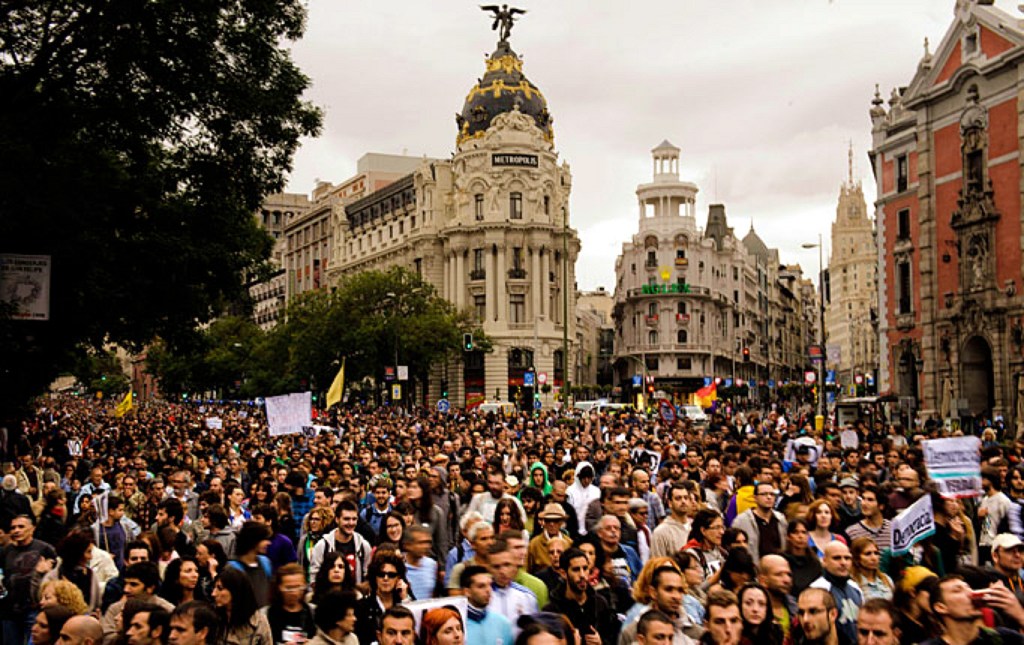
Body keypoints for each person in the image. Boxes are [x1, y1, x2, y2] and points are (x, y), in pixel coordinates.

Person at [544, 547, 619, 645]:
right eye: (576, 570)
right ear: (563, 573)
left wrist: (601, 643)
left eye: (585, 568)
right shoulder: (552, 611)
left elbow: (613, 638)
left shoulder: (600, 603)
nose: (582, 575)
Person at [921, 574, 1024, 645]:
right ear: (941, 608)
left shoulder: (1003, 638)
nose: (971, 593)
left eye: (969, 588)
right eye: (957, 590)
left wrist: (1020, 616)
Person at [618, 559, 697, 645]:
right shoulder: (632, 632)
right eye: (669, 589)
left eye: (680, 590)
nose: (676, 596)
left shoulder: (695, 633)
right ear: (653, 592)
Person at [100, 561, 175, 645]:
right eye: (125, 584)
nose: (126, 589)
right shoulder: (115, 609)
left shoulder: (167, 610)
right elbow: (107, 639)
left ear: (150, 588)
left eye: (133, 584)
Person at [809, 541, 863, 645]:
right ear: (824, 561)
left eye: (847, 558)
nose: (843, 562)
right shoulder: (817, 589)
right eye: (837, 558)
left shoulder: (856, 587)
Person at [308, 501, 372, 588]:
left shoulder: (364, 546)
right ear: (337, 519)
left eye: (354, 519)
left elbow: (368, 576)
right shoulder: (322, 546)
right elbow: (313, 578)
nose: (351, 523)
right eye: (346, 519)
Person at [354, 551, 411, 645]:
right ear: (374, 577)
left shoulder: (406, 602)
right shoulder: (361, 607)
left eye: (391, 575)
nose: (385, 578)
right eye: (381, 574)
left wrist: (405, 599)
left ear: (398, 578)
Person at [211, 566, 273, 645]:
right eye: (214, 588)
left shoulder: (258, 621)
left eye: (220, 588)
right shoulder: (213, 618)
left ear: (235, 591)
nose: (213, 594)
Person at [487, 538, 538, 632]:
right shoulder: (482, 598)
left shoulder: (527, 597)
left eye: (506, 565)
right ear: (489, 568)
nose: (502, 571)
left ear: (515, 564)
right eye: (496, 567)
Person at [731, 481, 787, 561]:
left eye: (772, 494)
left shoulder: (781, 519)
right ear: (755, 498)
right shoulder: (741, 521)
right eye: (764, 494)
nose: (769, 497)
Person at [264, 563, 316, 645]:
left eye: (298, 587)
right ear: (279, 587)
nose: (294, 592)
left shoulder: (314, 613)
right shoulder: (266, 615)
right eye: (289, 588)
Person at [460, 565, 514, 645]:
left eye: (490, 585)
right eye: (481, 586)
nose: (489, 590)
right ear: (467, 592)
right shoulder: (457, 626)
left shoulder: (503, 623)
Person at [228, 520, 274, 607]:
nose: (268, 543)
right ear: (253, 540)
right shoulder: (233, 568)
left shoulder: (265, 563)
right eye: (264, 539)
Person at [407, 476, 449, 562]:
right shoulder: (405, 510)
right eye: (409, 487)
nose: (410, 490)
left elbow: (441, 542)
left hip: (430, 559)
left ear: (424, 490)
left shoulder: (436, 512)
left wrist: (442, 566)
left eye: (415, 487)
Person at [758, 554, 797, 642]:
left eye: (789, 575)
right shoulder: (754, 613)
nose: (787, 580)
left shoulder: (796, 609)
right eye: (779, 574)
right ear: (763, 580)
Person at [843, 485, 891, 554]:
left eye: (870, 500)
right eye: (863, 499)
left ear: (881, 506)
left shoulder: (893, 529)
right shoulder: (851, 532)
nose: (864, 503)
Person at [683, 509, 726, 583]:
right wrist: (720, 573)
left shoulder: (722, 552)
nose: (722, 532)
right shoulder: (692, 555)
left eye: (722, 527)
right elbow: (697, 587)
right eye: (717, 528)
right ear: (703, 530)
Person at [527, 504, 572, 572]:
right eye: (548, 520)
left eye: (556, 520)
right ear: (543, 522)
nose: (552, 524)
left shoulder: (569, 543)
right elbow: (528, 569)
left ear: (561, 522)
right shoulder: (534, 544)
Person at [651, 483, 692, 559]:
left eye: (686, 498)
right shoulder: (660, 532)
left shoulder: (695, 526)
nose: (683, 501)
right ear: (670, 503)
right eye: (678, 498)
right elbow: (658, 564)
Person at [783, 518, 822, 597]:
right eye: (795, 532)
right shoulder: (782, 560)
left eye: (804, 532)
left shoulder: (815, 563)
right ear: (788, 536)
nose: (800, 536)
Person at [567, 463, 600, 536]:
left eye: (589, 478)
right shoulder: (570, 491)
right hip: (575, 530)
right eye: (584, 478)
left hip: (592, 531)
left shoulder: (596, 491)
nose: (586, 481)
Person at [988, 533, 1024, 599]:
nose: (1017, 555)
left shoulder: (1021, 582)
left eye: (1020, 550)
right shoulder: (985, 580)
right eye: (1010, 551)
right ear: (995, 556)